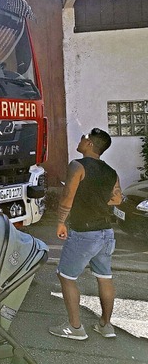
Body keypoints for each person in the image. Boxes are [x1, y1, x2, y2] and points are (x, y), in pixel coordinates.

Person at [49, 128, 123, 340]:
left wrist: (61, 222)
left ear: (90, 144)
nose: (80, 140)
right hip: (106, 232)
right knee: (104, 277)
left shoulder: (77, 165)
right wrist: (96, 200)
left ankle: (75, 328)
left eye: (83, 138)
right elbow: (117, 199)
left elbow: (67, 197)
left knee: (66, 276)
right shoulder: (111, 172)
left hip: (84, 233)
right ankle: (106, 325)